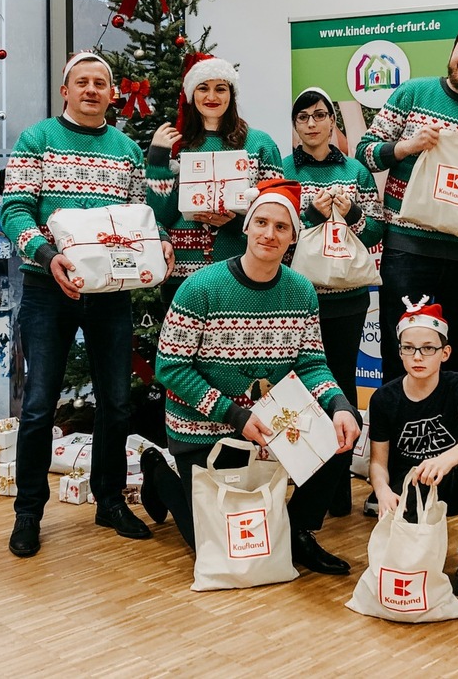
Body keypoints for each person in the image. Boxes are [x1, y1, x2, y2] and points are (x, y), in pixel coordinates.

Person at [137, 179, 362, 575]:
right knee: (215, 545)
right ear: (246, 227)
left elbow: (310, 363)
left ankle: (298, 533)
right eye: (261, 222)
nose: (269, 234)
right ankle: (158, 471)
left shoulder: (301, 291)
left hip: (271, 425)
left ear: (293, 237)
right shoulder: (200, 288)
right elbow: (170, 367)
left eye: (281, 227)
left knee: (342, 429)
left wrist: (340, 405)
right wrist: (235, 416)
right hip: (204, 430)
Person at [0, 50, 175, 558]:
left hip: (110, 293)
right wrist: (47, 255)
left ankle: (109, 501)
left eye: (101, 82)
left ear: (112, 93)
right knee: (37, 407)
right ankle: (28, 511)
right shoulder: (38, 139)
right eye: (83, 82)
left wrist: (159, 238)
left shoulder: (124, 149)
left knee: (116, 402)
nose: (92, 89)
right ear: (66, 90)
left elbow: (140, 215)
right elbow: (15, 208)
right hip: (46, 288)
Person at [355, 17, 458, 388]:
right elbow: (365, 153)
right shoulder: (413, 93)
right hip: (408, 251)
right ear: (452, 51)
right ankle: (396, 443)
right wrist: (407, 147)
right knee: (404, 352)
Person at [282, 87, 384, 516]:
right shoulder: (284, 170)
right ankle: (305, 490)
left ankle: (337, 493)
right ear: (295, 125)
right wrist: (309, 216)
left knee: (340, 387)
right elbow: (273, 233)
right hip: (295, 298)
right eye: (302, 117)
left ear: (332, 121)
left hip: (346, 298)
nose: (311, 123)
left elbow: (377, 231)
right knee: (299, 392)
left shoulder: (356, 172)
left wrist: (354, 215)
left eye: (318, 115)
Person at [368, 300, 458, 605]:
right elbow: (377, 462)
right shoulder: (384, 398)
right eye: (409, 348)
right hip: (411, 486)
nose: (417, 356)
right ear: (399, 351)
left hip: (449, 478)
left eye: (428, 348)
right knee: (410, 560)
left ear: (444, 353)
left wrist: (444, 460)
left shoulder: (456, 385)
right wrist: (382, 490)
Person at [146, 55, 283, 302]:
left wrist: (232, 224)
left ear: (231, 95)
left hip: (242, 270)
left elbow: (276, 214)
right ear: (191, 94)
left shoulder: (260, 144)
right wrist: (157, 160)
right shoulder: (176, 144)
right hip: (183, 275)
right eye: (203, 88)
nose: (212, 97)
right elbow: (160, 217)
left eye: (220, 88)